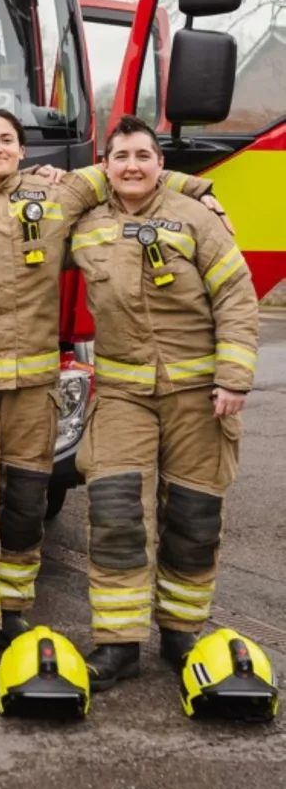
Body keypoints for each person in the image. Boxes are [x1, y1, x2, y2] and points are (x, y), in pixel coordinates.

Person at [0, 108, 222, 693]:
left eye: (7, 138)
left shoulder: (58, 196)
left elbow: (130, 171)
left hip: (33, 383)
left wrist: (198, 188)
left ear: (22, 147)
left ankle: (12, 617)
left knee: (27, 507)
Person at [71, 117, 258, 691]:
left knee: (194, 520)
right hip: (125, 396)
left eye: (143, 156)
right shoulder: (83, 226)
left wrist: (232, 378)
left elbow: (236, 293)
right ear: (105, 167)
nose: (132, 166)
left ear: (159, 163)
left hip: (200, 398)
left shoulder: (196, 217)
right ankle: (118, 642)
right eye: (120, 156)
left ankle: (181, 633)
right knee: (117, 516)